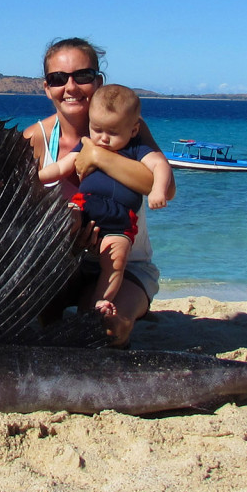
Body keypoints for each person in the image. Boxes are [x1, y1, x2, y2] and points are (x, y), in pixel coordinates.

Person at [22, 38, 176, 347]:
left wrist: (98, 156)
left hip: (126, 263)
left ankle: (120, 321)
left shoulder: (129, 126)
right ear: (46, 87)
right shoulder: (36, 138)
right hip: (63, 265)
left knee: (104, 331)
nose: (71, 87)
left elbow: (165, 188)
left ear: (98, 81)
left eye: (82, 76)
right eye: (58, 79)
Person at [37, 84, 171, 328]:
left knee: (116, 258)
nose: (104, 138)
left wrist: (158, 190)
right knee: (66, 217)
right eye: (97, 129)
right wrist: (37, 177)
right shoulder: (88, 144)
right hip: (85, 206)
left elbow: (160, 165)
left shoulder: (136, 149)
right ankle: (51, 298)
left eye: (113, 132)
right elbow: (61, 167)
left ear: (133, 130)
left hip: (119, 220)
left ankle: (102, 301)